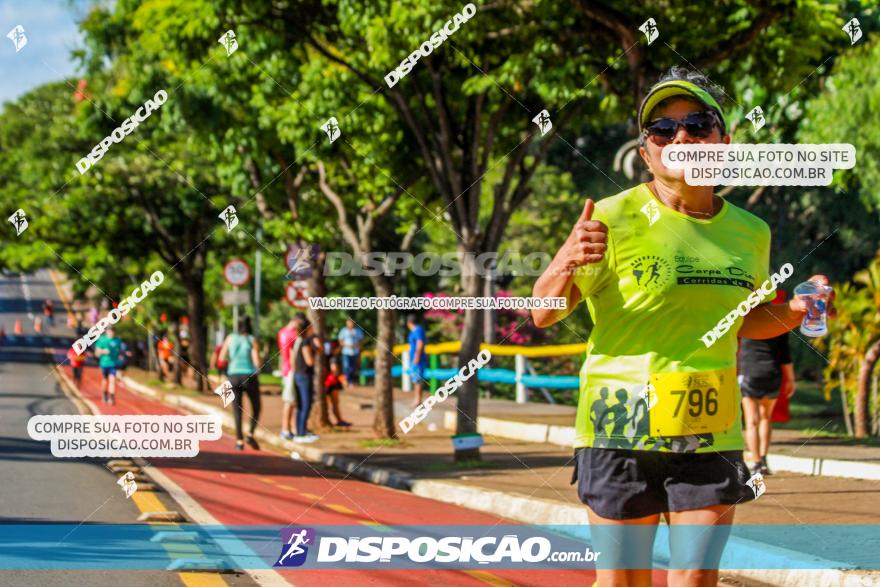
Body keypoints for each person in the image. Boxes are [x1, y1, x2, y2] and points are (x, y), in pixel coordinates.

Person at [531, 66, 834, 586]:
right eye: (663, 130)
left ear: (724, 141)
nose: (682, 138)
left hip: (709, 425)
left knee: (695, 579)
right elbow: (543, 312)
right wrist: (563, 260)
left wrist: (794, 314)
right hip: (618, 423)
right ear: (646, 152)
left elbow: (744, 321)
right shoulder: (609, 216)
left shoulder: (751, 231)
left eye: (696, 124)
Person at [739, 293, 795, 475]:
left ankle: (755, 463)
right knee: (765, 418)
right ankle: (763, 459)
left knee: (751, 421)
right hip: (773, 374)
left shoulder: (742, 318)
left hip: (749, 374)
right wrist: (791, 380)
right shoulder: (778, 321)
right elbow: (785, 355)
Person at [219, 315, 262, 451]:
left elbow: (221, 358)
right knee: (256, 406)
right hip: (249, 375)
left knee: (237, 410)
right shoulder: (251, 339)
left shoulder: (230, 338)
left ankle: (239, 441)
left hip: (233, 376)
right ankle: (250, 433)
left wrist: (224, 374)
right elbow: (257, 362)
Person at [292, 318, 320, 443]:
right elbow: (309, 361)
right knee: (306, 404)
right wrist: (315, 354)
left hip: (298, 375)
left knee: (300, 405)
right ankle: (301, 433)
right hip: (304, 376)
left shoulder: (298, 341)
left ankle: (300, 431)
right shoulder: (306, 343)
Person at [278, 314, 300, 440]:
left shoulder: (282, 332)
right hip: (292, 369)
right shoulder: (293, 334)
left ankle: (290, 428)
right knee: (291, 401)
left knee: (291, 401)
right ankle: (287, 428)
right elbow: (292, 353)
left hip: (286, 369)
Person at [94, 327, 123, 405]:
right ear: (106, 331)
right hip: (104, 363)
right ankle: (104, 394)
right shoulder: (102, 340)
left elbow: (119, 351)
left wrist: (120, 356)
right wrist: (103, 351)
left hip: (113, 364)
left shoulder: (118, 340)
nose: (111, 333)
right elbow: (96, 353)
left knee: (112, 380)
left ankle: (111, 398)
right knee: (105, 380)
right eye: (109, 331)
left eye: (113, 331)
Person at [406, 314, 428, 407]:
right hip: (414, 358)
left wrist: (417, 357)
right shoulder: (414, 331)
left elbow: (420, 343)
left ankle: (418, 400)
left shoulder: (418, 330)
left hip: (418, 359)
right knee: (415, 380)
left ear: (409, 323)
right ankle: (417, 399)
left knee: (418, 379)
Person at [337, 318, 364, 388]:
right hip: (346, 352)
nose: (350, 324)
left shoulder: (358, 331)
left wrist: (357, 345)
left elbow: (361, 340)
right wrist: (346, 345)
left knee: (353, 367)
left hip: (355, 352)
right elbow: (340, 340)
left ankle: (351, 381)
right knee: (346, 367)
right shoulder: (343, 330)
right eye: (348, 322)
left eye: (351, 322)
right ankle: (346, 381)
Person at [325, 359, 352, 427]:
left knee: (335, 403)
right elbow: (334, 369)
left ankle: (339, 420)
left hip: (331, 382)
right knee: (332, 403)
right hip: (329, 382)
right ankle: (338, 420)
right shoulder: (331, 358)